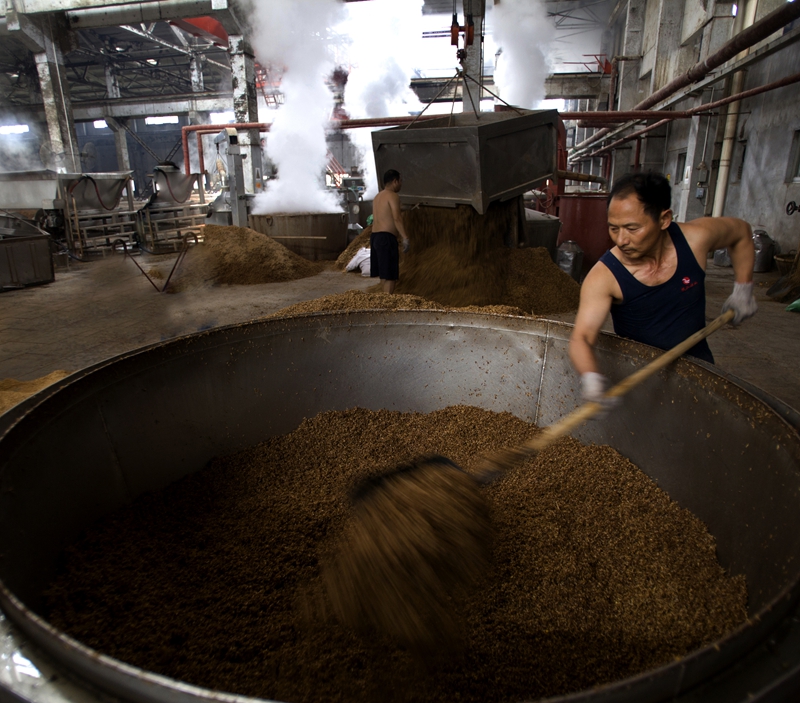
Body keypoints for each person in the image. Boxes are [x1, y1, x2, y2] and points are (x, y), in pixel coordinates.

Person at [569, 171, 758, 408]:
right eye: (613, 228)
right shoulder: (605, 276)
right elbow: (581, 337)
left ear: (664, 219)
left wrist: (743, 288)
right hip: (639, 379)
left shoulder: (695, 240)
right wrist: (591, 378)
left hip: (698, 369)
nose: (621, 240)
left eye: (632, 228)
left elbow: (741, 232)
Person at [370, 169, 410, 294]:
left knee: (384, 274)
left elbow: (386, 212)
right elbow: (397, 218)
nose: (401, 184)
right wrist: (405, 237)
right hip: (386, 238)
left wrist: (407, 208)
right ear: (395, 181)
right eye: (400, 181)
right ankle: (387, 302)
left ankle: (384, 300)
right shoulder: (393, 196)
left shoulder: (378, 197)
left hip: (375, 237)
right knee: (390, 274)